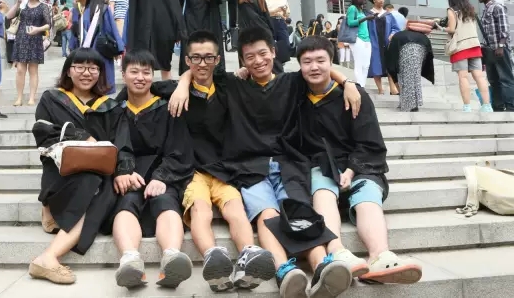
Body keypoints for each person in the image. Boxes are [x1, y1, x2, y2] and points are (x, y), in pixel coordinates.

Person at [169, 27, 362, 298]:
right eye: (250, 57)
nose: (258, 61)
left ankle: (322, 266)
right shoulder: (233, 85)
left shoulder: (291, 83)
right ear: (242, 61)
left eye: (263, 54)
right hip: (248, 167)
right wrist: (182, 84)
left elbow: (318, 70)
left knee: (298, 211)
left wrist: (348, 82)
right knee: (266, 214)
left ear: (273, 52)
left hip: (289, 162)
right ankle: (284, 270)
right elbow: (200, 69)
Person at [120, 30, 276, 292]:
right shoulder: (170, 90)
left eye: (208, 57)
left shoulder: (227, 85)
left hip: (225, 168)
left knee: (235, 209)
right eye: (196, 58)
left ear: (217, 60)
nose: (202, 63)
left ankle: (248, 253)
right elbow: (138, 90)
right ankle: (213, 256)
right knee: (200, 211)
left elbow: (259, 79)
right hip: (191, 170)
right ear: (187, 60)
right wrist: (183, 84)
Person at [295, 35, 423, 285]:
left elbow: (370, 142)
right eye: (307, 62)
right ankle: (337, 252)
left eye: (321, 60)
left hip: (358, 165)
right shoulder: (296, 94)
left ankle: (380, 256)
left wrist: (352, 170)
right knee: (321, 186)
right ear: (299, 65)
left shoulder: (354, 95)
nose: (314, 67)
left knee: (367, 193)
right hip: (320, 165)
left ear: (331, 62)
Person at [29, 48, 132, 285]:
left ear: (101, 73)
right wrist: (81, 136)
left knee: (100, 185)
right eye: (80, 67)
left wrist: (124, 170)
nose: (87, 73)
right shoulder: (52, 99)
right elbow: (43, 132)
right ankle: (49, 211)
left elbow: (123, 142)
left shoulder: (111, 106)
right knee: (95, 186)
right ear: (68, 71)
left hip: (98, 174)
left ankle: (49, 254)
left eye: (93, 68)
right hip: (61, 172)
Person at [111, 50, 195, 289]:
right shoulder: (115, 110)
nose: (140, 77)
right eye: (134, 72)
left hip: (164, 170)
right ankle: (130, 259)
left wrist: (161, 177)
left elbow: (179, 149)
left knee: (165, 199)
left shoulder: (169, 107)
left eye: (146, 72)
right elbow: (112, 147)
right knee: (127, 202)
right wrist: (122, 171)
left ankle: (171, 257)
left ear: (153, 75)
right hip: (130, 174)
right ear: (123, 74)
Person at [436, 0, 492, 112]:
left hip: (460, 47)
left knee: (463, 77)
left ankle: (467, 107)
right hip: (474, 46)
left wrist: (441, 28)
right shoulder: (471, 10)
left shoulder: (451, 11)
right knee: (479, 77)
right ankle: (487, 106)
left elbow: (452, 29)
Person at [5, 0, 51, 106]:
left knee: (33, 70)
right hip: (21, 39)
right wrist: (17, 4)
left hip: (35, 39)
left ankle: (31, 98)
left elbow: (48, 24)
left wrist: (38, 29)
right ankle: (19, 97)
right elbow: (8, 16)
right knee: (20, 70)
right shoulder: (23, 5)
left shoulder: (43, 7)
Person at [73, 0, 124, 94]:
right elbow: (111, 29)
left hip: (87, 50)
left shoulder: (85, 11)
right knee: (104, 76)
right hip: (102, 50)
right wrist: (119, 48)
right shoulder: (104, 9)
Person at [477, 0, 514, 111]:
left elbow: (505, 29)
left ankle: (511, 107)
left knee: (505, 78)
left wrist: (501, 46)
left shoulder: (498, 7)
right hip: (489, 51)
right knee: (493, 80)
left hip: (500, 50)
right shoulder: (485, 10)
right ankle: (498, 107)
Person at [386, 28, 434, 112]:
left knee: (404, 78)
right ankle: (414, 103)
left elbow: (391, 62)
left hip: (403, 52)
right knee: (415, 77)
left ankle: (407, 104)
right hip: (421, 50)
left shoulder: (397, 36)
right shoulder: (423, 37)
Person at [366, 0, 400, 95]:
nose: (381, 1)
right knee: (376, 65)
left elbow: (395, 28)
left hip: (387, 43)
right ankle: (380, 89)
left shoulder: (388, 14)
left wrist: (392, 34)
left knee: (390, 65)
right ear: (374, 0)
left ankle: (392, 88)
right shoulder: (368, 14)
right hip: (374, 43)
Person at [347, 0, 375, 87]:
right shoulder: (352, 8)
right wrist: (366, 18)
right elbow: (350, 23)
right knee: (359, 64)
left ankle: (362, 85)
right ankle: (360, 86)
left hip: (366, 39)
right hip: (357, 38)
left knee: (366, 65)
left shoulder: (361, 10)